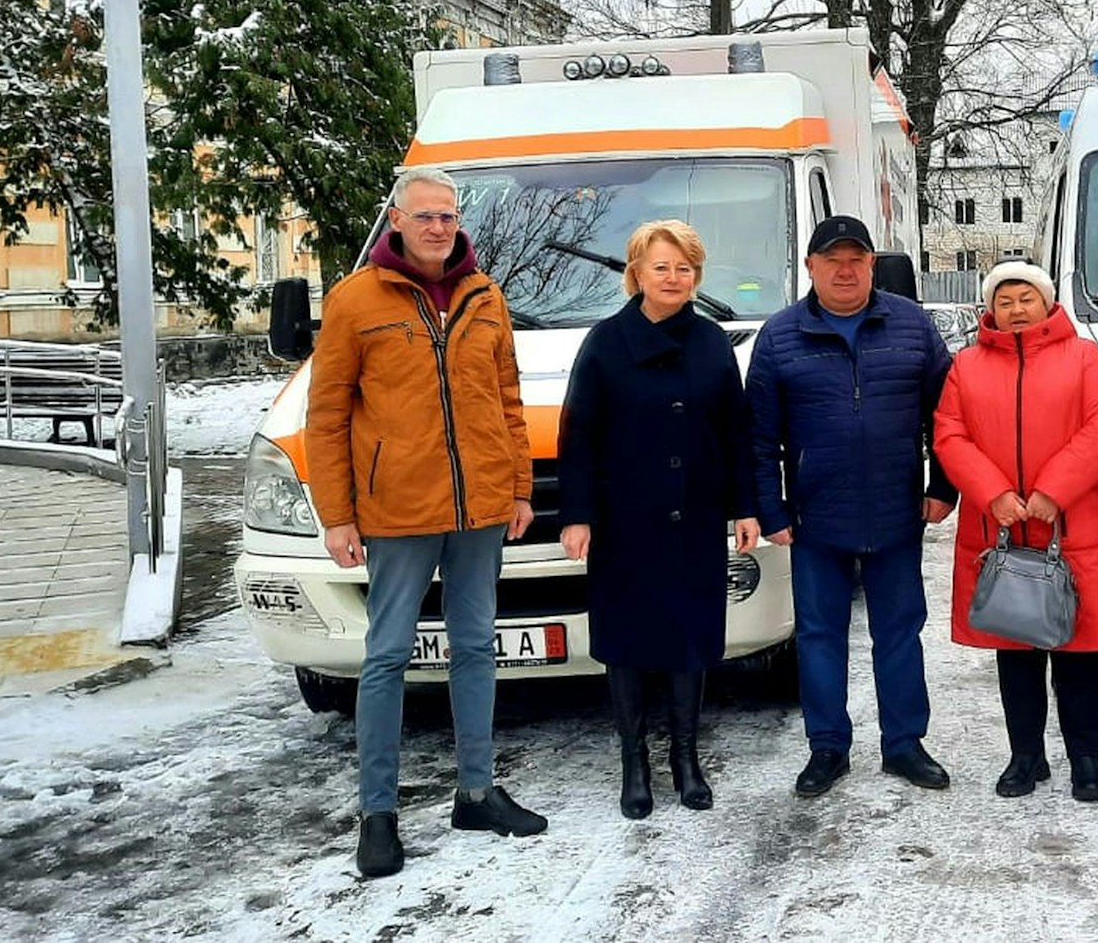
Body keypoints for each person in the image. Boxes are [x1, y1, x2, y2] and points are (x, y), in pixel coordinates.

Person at [305, 166, 548, 880]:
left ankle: (476, 791)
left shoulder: (486, 295)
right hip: (396, 512)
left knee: (476, 645)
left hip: (479, 508)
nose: (439, 226)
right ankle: (377, 814)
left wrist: (519, 487)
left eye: (448, 215)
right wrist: (337, 514)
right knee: (385, 657)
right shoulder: (354, 301)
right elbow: (326, 416)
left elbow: (507, 398)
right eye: (426, 216)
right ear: (397, 223)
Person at [746, 215, 958, 797]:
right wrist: (772, 510)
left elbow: (948, 416)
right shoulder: (780, 336)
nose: (845, 269)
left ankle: (905, 744)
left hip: (896, 513)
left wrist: (943, 486)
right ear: (811, 267)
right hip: (816, 518)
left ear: (871, 265)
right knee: (819, 634)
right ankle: (828, 747)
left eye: (856, 259)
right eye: (832, 259)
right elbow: (759, 437)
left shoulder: (912, 326)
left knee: (899, 631)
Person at [557, 220, 761, 820]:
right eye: (661, 267)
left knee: (690, 639)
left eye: (685, 268)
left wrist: (745, 506)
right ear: (636, 274)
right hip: (626, 521)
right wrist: (578, 515)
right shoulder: (604, 342)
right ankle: (634, 763)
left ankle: (686, 759)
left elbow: (735, 431)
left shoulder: (711, 343)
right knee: (626, 642)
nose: (673, 278)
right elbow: (579, 436)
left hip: (694, 517)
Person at [933, 262, 1098, 803]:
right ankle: (1026, 757)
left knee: (1079, 650)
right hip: (999, 528)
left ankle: (1086, 762)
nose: (1017, 309)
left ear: (1047, 303)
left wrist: (1053, 490)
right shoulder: (967, 366)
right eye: (1005, 300)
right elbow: (949, 434)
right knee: (1015, 651)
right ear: (990, 309)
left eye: (1027, 297)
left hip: (1074, 528)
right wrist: (993, 492)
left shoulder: (1085, 358)